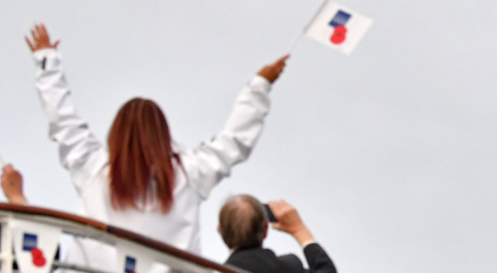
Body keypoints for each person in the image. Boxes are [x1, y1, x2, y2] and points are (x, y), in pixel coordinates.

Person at [25, 24, 289, 272]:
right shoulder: (190, 173)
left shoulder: (92, 166)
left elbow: (63, 121)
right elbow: (234, 140)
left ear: (116, 134)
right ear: (163, 134)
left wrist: (47, 63)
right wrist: (259, 86)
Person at [219, 196, 336, 273]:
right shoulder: (290, 266)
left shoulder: (217, 270)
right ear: (266, 228)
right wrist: (299, 230)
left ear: (220, 230)